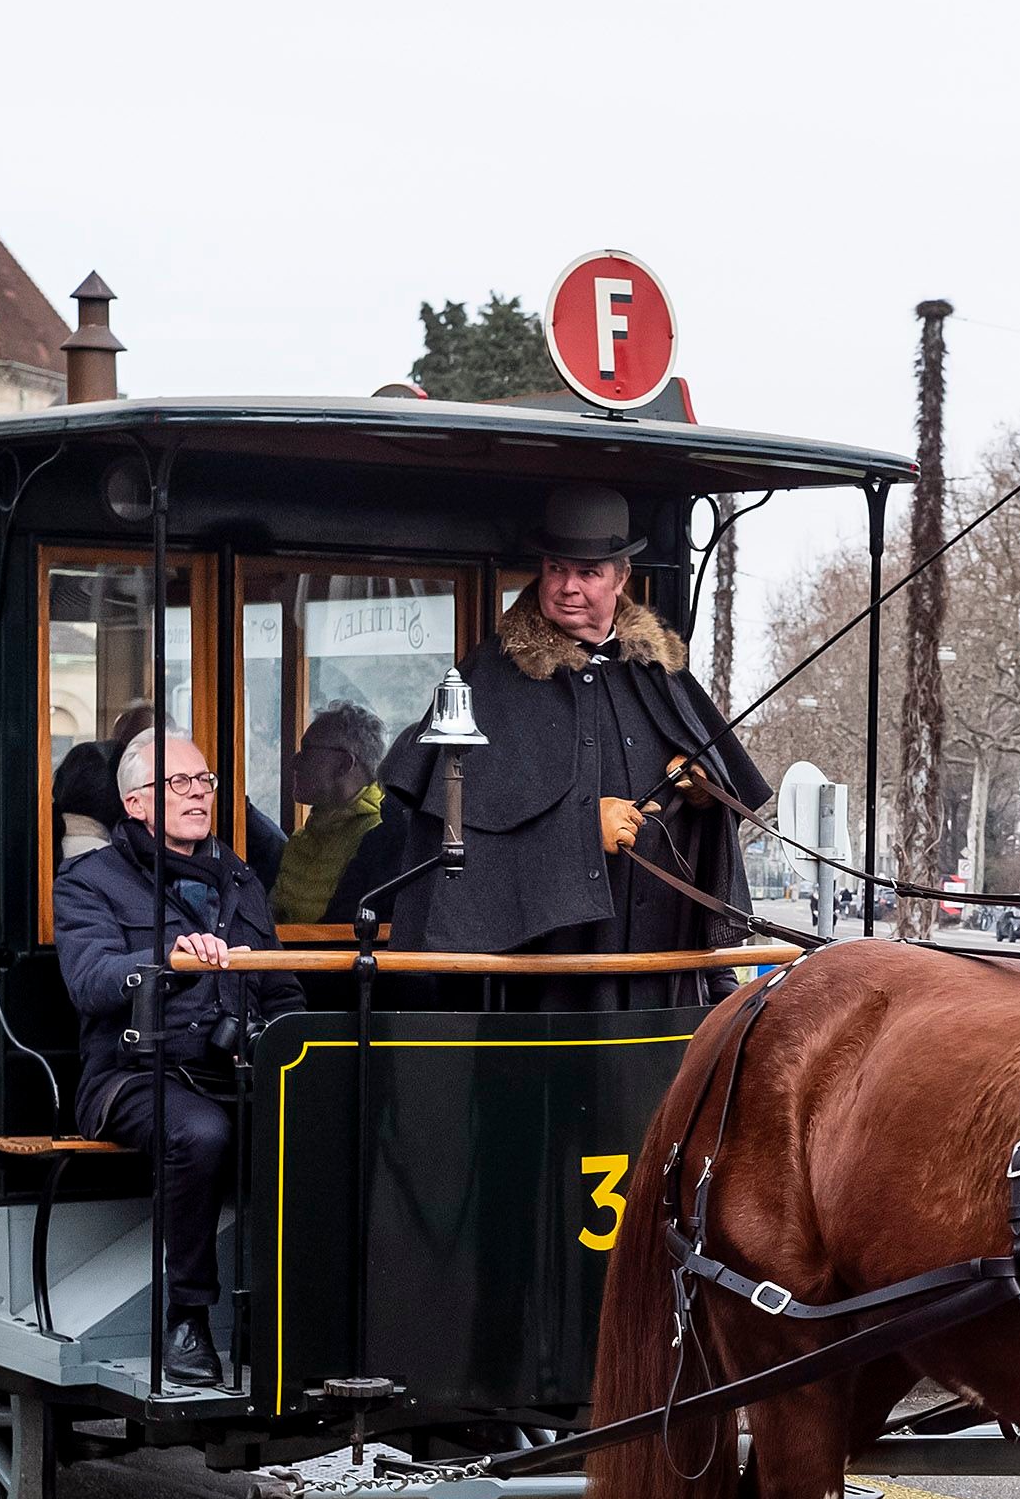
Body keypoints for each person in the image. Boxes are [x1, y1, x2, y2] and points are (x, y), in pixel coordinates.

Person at [362, 483, 769, 1006]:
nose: (567, 586)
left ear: (622, 578)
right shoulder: (484, 680)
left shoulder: (659, 676)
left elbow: (714, 818)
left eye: (588, 572)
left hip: (659, 979)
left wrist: (702, 795)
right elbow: (450, 845)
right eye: (556, 568)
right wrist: (579, 836)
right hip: (545, 992)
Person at [53, 728, 304, 1386]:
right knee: (200, 1131)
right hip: (130, 1075)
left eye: (205, 782)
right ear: (134, 803)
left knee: (326, 1117)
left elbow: (283, 989)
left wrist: (290, 1046)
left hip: (234, 1069)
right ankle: (186, 1323)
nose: (199, 794)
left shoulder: (241, 880)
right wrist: (165, 961)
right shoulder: (90, 882)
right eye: (179, 783)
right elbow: (90, 979)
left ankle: (298, 1319)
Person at [272, 701, 388, 927]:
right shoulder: (304, 836)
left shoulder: (378, 836)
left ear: (344, 764)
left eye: (307, 750)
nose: (294, 761)